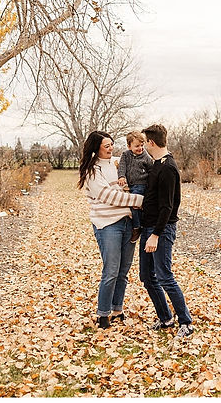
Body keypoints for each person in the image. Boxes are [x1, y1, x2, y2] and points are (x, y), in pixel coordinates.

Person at [78, 130, 136, 330]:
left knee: (123, 271)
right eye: (107, 146)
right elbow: (110, 197)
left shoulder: (118, 163)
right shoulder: (92, 171)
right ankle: (103, 314)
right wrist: (140, 200)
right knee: (111, 271)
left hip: (128, 222)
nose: (111, 148)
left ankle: (117, 310)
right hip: (107, 224)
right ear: (97, 149)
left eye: (112, 144)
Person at [138, 123, 192, 337]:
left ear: (151, 142)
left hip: (161, 230)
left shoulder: (168, 168)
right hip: (148, 228)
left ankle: (186, 322)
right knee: (147, 276)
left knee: (164, 276)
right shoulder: (156, 165)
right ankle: (166, 318)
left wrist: (155, 235)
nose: (144, 146)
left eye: (145, 142)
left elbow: (167, 207)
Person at [116, 130, 152, 237]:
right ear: (129, 146)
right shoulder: (125, 155)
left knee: (134, 206)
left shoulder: (146, 156)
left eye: (142, 145)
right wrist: (121, 176)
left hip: (141, 184)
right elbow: (122, 166)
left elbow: (151, 170)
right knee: (131, 206)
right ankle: (139, 224)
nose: (140, 148)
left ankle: (137, 227)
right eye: (137, 146)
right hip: (129, 185)